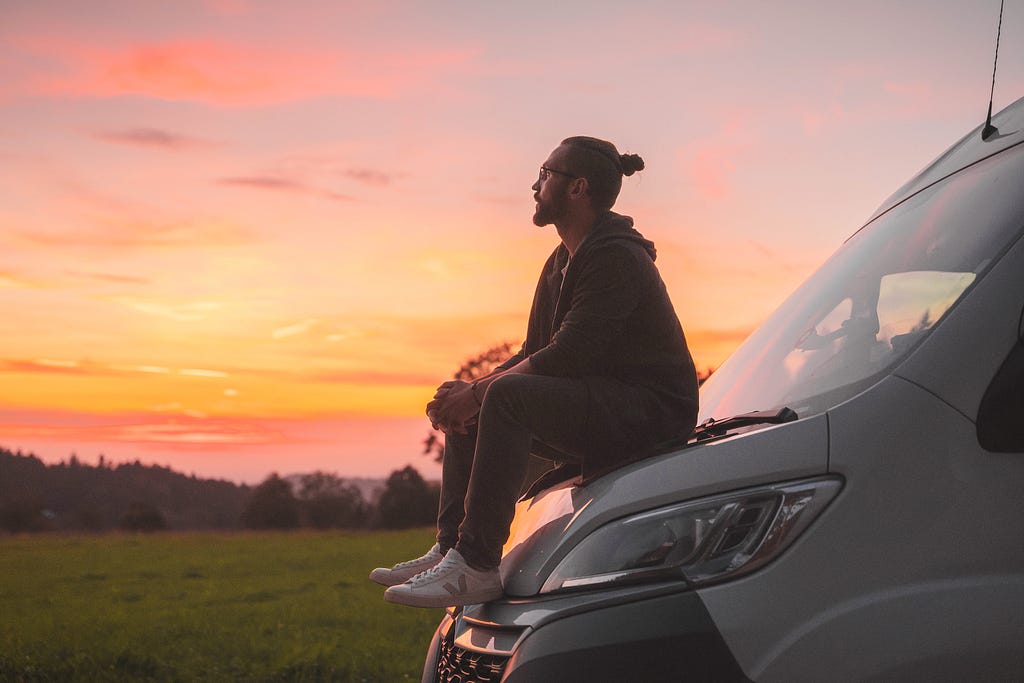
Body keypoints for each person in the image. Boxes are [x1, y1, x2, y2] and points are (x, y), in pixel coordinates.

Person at [370, 136, 699, 608]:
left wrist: (483, 391)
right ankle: (452, 549)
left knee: (502, 396)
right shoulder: (561, 260)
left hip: (651, 413)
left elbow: (568, 355)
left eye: (545, 174)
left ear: (577, 188)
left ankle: (478, 565)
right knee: (485, 398)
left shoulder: (616, 257)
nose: (534, 184)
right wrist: (469, 393)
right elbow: (535, 349)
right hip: (602, 401)